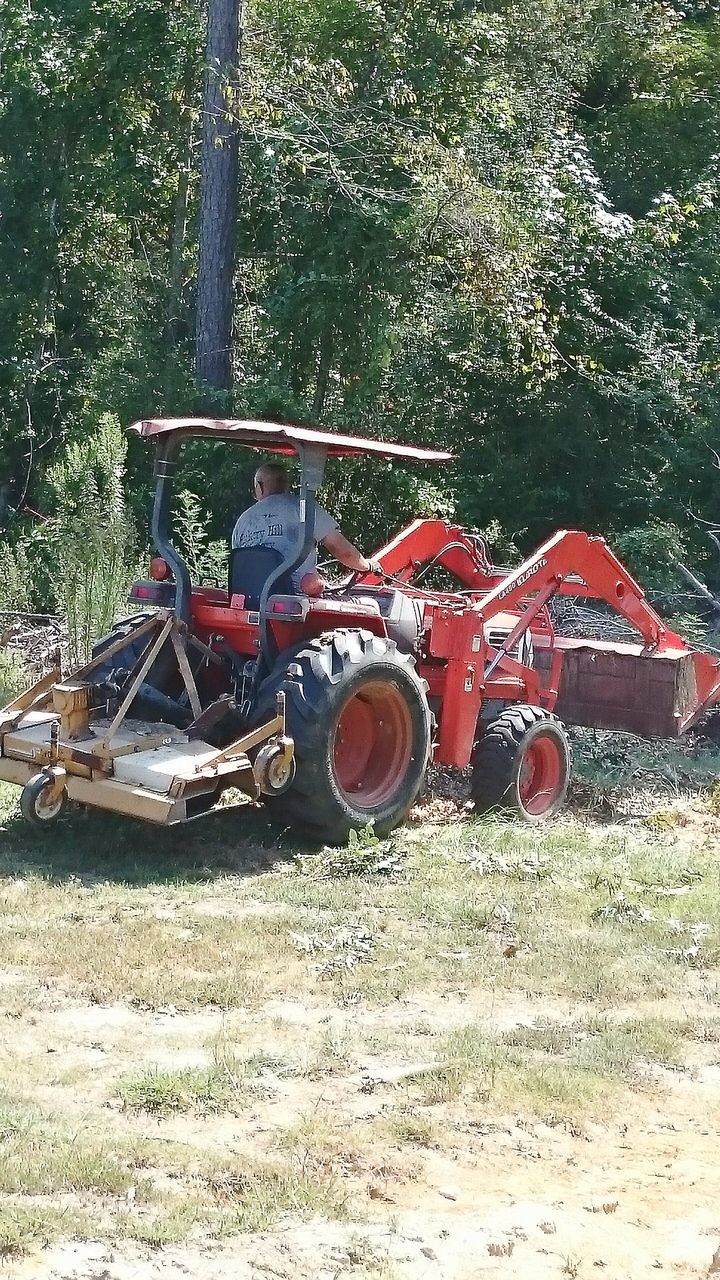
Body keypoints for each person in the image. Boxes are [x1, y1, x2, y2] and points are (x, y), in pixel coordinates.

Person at [231, 462, 382, 595]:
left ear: (260, 486)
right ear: (286, 484)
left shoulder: (243, 521)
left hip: (252, 598)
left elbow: (239, 565)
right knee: (371, 605)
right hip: (297, 598)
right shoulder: (303, 508)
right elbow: (344, 551)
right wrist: (367, 566)